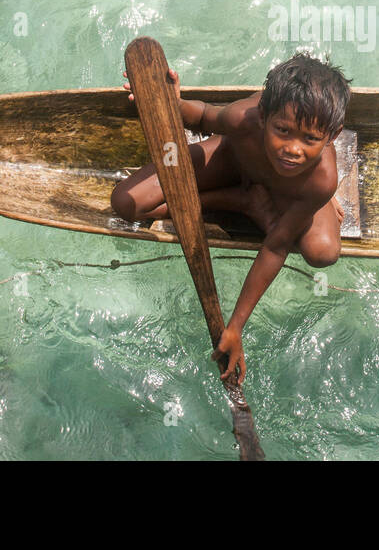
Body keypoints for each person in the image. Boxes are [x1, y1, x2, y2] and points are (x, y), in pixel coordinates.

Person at [111, 52, 352, 384]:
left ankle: (265, 200)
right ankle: (242, 201)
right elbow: (203, 116)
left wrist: (235, 326)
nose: (293, 149)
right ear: (264, 116)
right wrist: (167, 103)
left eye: (310, 139)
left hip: (291, 188)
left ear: (332, 137)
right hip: (231, 158)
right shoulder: (244, 118)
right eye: (282, 130)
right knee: (127, 203)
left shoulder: (321, 178)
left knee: (323, 252)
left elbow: (276, 246)